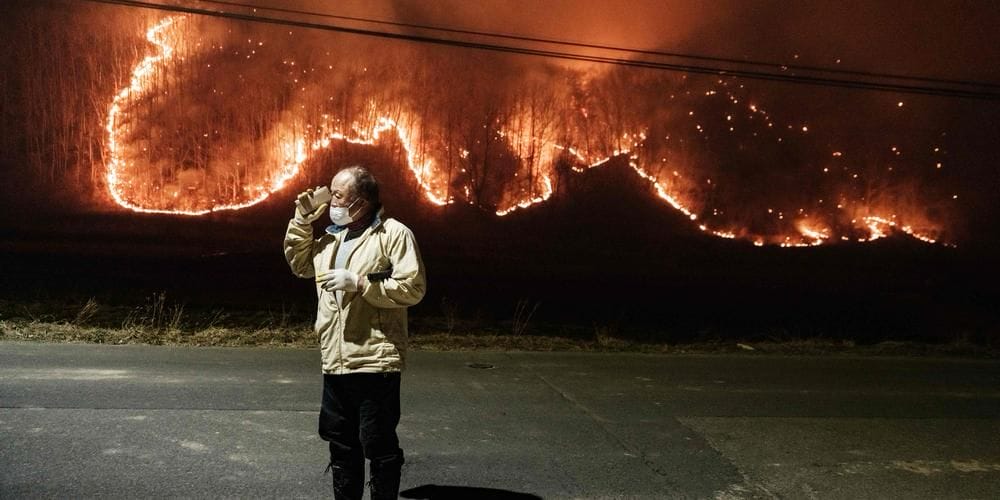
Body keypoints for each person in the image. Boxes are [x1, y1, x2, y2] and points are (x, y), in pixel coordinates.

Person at [284, 165, 426, 500]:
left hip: (375, 358)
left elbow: (413, 287)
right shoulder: (331, 237)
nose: (331, 201)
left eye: (338, 194)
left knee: (376, 441)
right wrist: (302, 219)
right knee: (340, 441)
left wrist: (362, 283)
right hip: (336, 358)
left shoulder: (393, 234)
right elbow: (300, 264)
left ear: (361, 202)